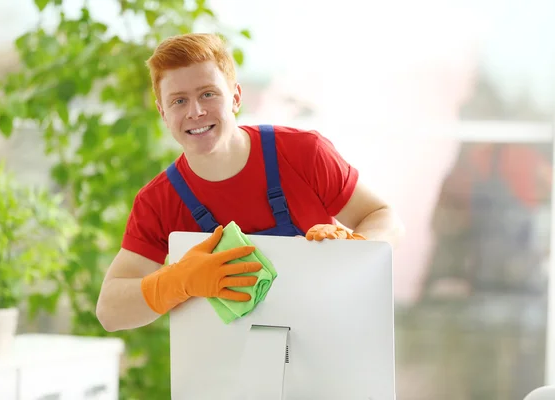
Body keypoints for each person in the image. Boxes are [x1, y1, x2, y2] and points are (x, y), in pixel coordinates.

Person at [96, 33, 405, 332]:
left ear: (236, 97)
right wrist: (178, 280)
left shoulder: (303, 153)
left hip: (328, 349)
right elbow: (110, 311)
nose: (196, 111)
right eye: (179, 101)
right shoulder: (158, 201)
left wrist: (354, 249)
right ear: (163, 113)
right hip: (224, 376)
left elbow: (384, 218)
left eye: (208, 93)